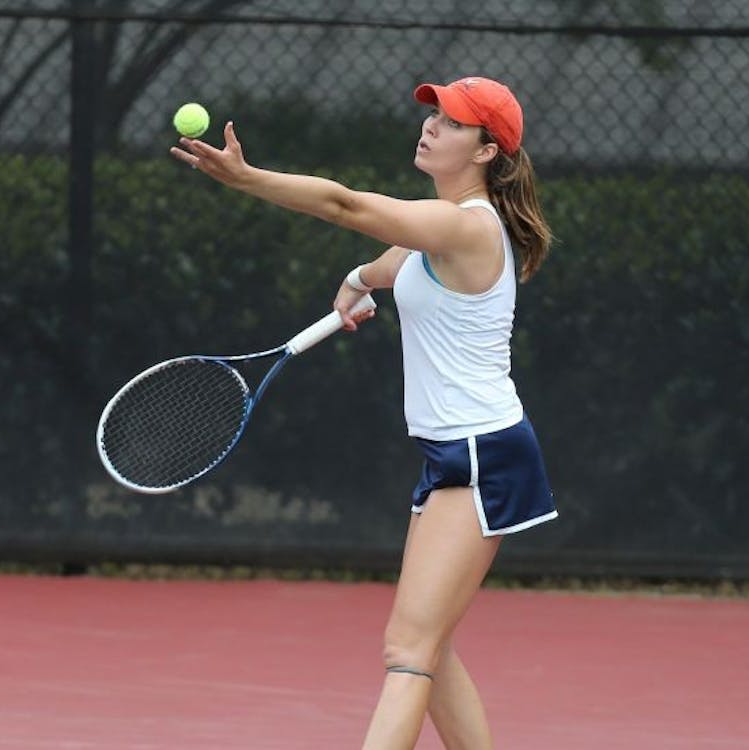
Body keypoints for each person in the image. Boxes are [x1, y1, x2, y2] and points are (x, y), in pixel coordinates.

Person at [171, 75, 557, 750]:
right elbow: (387, 264)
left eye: (453, 123)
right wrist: (354, 283)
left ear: (486, 150)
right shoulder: (432, 233)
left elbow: (347, 206)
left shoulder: (464, 226)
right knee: (432, 648)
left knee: (408, 649)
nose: (432, 127)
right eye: (433, 115)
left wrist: (248, 179)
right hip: (455, 454)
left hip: (481, 455)